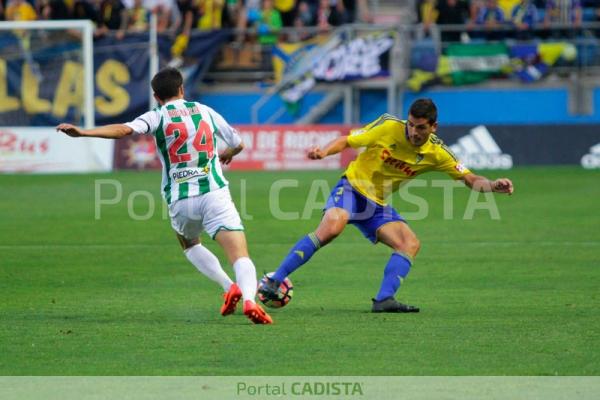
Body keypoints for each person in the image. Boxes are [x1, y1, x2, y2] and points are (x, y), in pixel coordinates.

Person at [56, 67, 273, 324]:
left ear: (157, 96)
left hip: (180, 198)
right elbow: (238, 143)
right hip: (214, 192)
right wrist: (228, 153)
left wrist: (83, 132)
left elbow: (124, 130)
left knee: (190, 243)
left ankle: (228, 287)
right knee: (240, 254)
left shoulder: (156, 116)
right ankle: (249, 299)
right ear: (182, 89)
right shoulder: (206, 111)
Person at [259, 98, 514, 313]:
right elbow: (347, 140)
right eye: (411, 124)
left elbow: (469, 179)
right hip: (351, 188)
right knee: (331, 229)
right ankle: (275, 280)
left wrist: (492, 185)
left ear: (433, 127)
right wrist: (324, 152)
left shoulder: (438, 153)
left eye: (421, 127)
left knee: (410, 243)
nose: (413, 132)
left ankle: (383, 300)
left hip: (377, 205)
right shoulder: (388, 126)